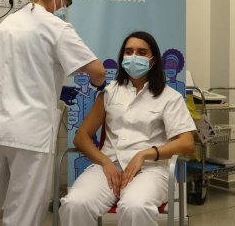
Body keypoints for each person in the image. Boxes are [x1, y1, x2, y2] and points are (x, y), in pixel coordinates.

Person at [0, 0, 106, 226]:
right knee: (23, 211)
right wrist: (98, 85)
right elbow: (97, 71)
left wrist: (56, 89)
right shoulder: (56, 28)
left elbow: (14, 73)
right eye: (65, 4)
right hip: (30, 135)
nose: (64, 11)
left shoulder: (6, 26)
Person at [59, 31, 196, 226]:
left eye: (141, 52)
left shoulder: (170, 97)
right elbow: (81, 137)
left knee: (135, 207)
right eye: (129, 51)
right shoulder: (109, 93)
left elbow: (187, 143)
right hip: (109, 166)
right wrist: (105, 163)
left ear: (153, 60)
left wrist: (145, 154)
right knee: (75, 204)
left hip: (151, 170)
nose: (134, 57)